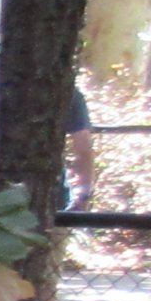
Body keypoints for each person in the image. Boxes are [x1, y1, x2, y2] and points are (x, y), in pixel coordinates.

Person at [64, 81, 95, 212]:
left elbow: (83, 151)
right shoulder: (67, 93)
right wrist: (82, 195)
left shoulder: (69, 94)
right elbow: (83, 150)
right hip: (46, 185)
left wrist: (82, 195)